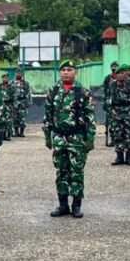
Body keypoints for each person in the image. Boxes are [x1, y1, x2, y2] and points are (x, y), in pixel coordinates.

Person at [43, 60, 95, 219]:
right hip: (59, 137)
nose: (66, 72)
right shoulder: (53, 91)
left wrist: (90, 138)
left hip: (76, 138)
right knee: (61, 172)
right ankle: (63, 204)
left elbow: (90, 116)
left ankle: (77, 205)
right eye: (63, 70)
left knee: (77, 171)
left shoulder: (82, 92)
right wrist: (48, 136)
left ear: (75, 72)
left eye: (69, 69)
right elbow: (48, 116)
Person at [108, 64, 130, 165]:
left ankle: (129, 157)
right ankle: (119, 157)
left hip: (129, 112)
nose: (120, 75)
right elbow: (108, 98)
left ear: (126, 74)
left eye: (122, 73)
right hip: (116, 113)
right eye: (118, 73)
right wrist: (110, 111)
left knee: (129, 135)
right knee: (118, 134)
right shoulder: (112, 84)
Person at [103, 61, 120, 146]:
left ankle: (120, 139)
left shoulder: (121, 78)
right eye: (112, 66)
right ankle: (113, 139)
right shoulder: (107, 78)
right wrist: (104, 103)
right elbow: (105, 91)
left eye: (116, 66)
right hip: (110, 103)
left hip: (119, 104)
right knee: (110, 122)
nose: (114, 68)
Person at [12, 70, 31, 137]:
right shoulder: (12, 83)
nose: (18, 74)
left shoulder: (25, 83)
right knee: (15, 117)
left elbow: (28, 93)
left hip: (23, 102)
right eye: (17, 73)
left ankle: (22, 132)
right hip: (15, 102)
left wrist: (28, 102)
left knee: (22, 117)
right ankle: (16, 132)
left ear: (22, 74)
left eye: (20, 73)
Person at [0, 74, 15, 141]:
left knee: (9, 121)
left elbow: (14, 96)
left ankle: (9, 135)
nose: (5, 79)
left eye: (6, 78)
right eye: (3, 78)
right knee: (1, 120)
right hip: (1, 105)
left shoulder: (11, 87)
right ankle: (2, 135)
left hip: (8, 105)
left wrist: (14, 106)